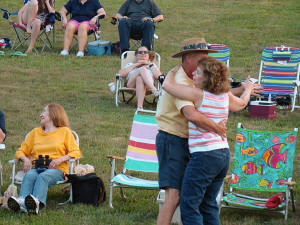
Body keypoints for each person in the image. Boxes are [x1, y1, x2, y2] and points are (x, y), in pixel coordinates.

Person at [155, 37, 261, 225]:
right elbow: (192, 114)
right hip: (174, 139)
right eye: (202, 57)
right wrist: (217, 127)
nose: (206, 61)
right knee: (175, 195)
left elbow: (222, 99)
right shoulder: (184, 82)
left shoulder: (201, 86)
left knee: (193, 201)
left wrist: (245, 88)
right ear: (188, 58)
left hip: (200, 150)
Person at [7, 104, 81, 214]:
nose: (41, 114)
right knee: (29, 175)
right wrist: (26, 159)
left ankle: (36, 204)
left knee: (43, 176)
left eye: (44, 111)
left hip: (56, 169)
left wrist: (60, 159)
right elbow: (20, 151)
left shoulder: (64, 132)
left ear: (53, 114)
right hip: (36, 167)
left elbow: (76, 152)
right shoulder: (35, 132)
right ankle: (22, 203)